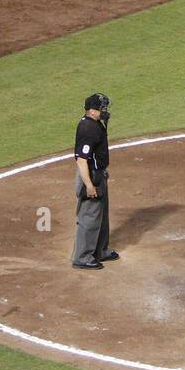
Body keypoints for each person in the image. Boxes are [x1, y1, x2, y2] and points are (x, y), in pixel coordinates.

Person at [72, 92, 117, 270]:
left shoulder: (96, 124)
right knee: (90, 216)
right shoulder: (87, 129)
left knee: (101, 213)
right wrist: (89, 185)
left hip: (98, 173)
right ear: (91, 111)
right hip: (89, 176)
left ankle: (100, 250)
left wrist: (102, 172)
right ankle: (82, 257)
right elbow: (81, 159)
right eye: (102, 108)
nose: (105, 111)